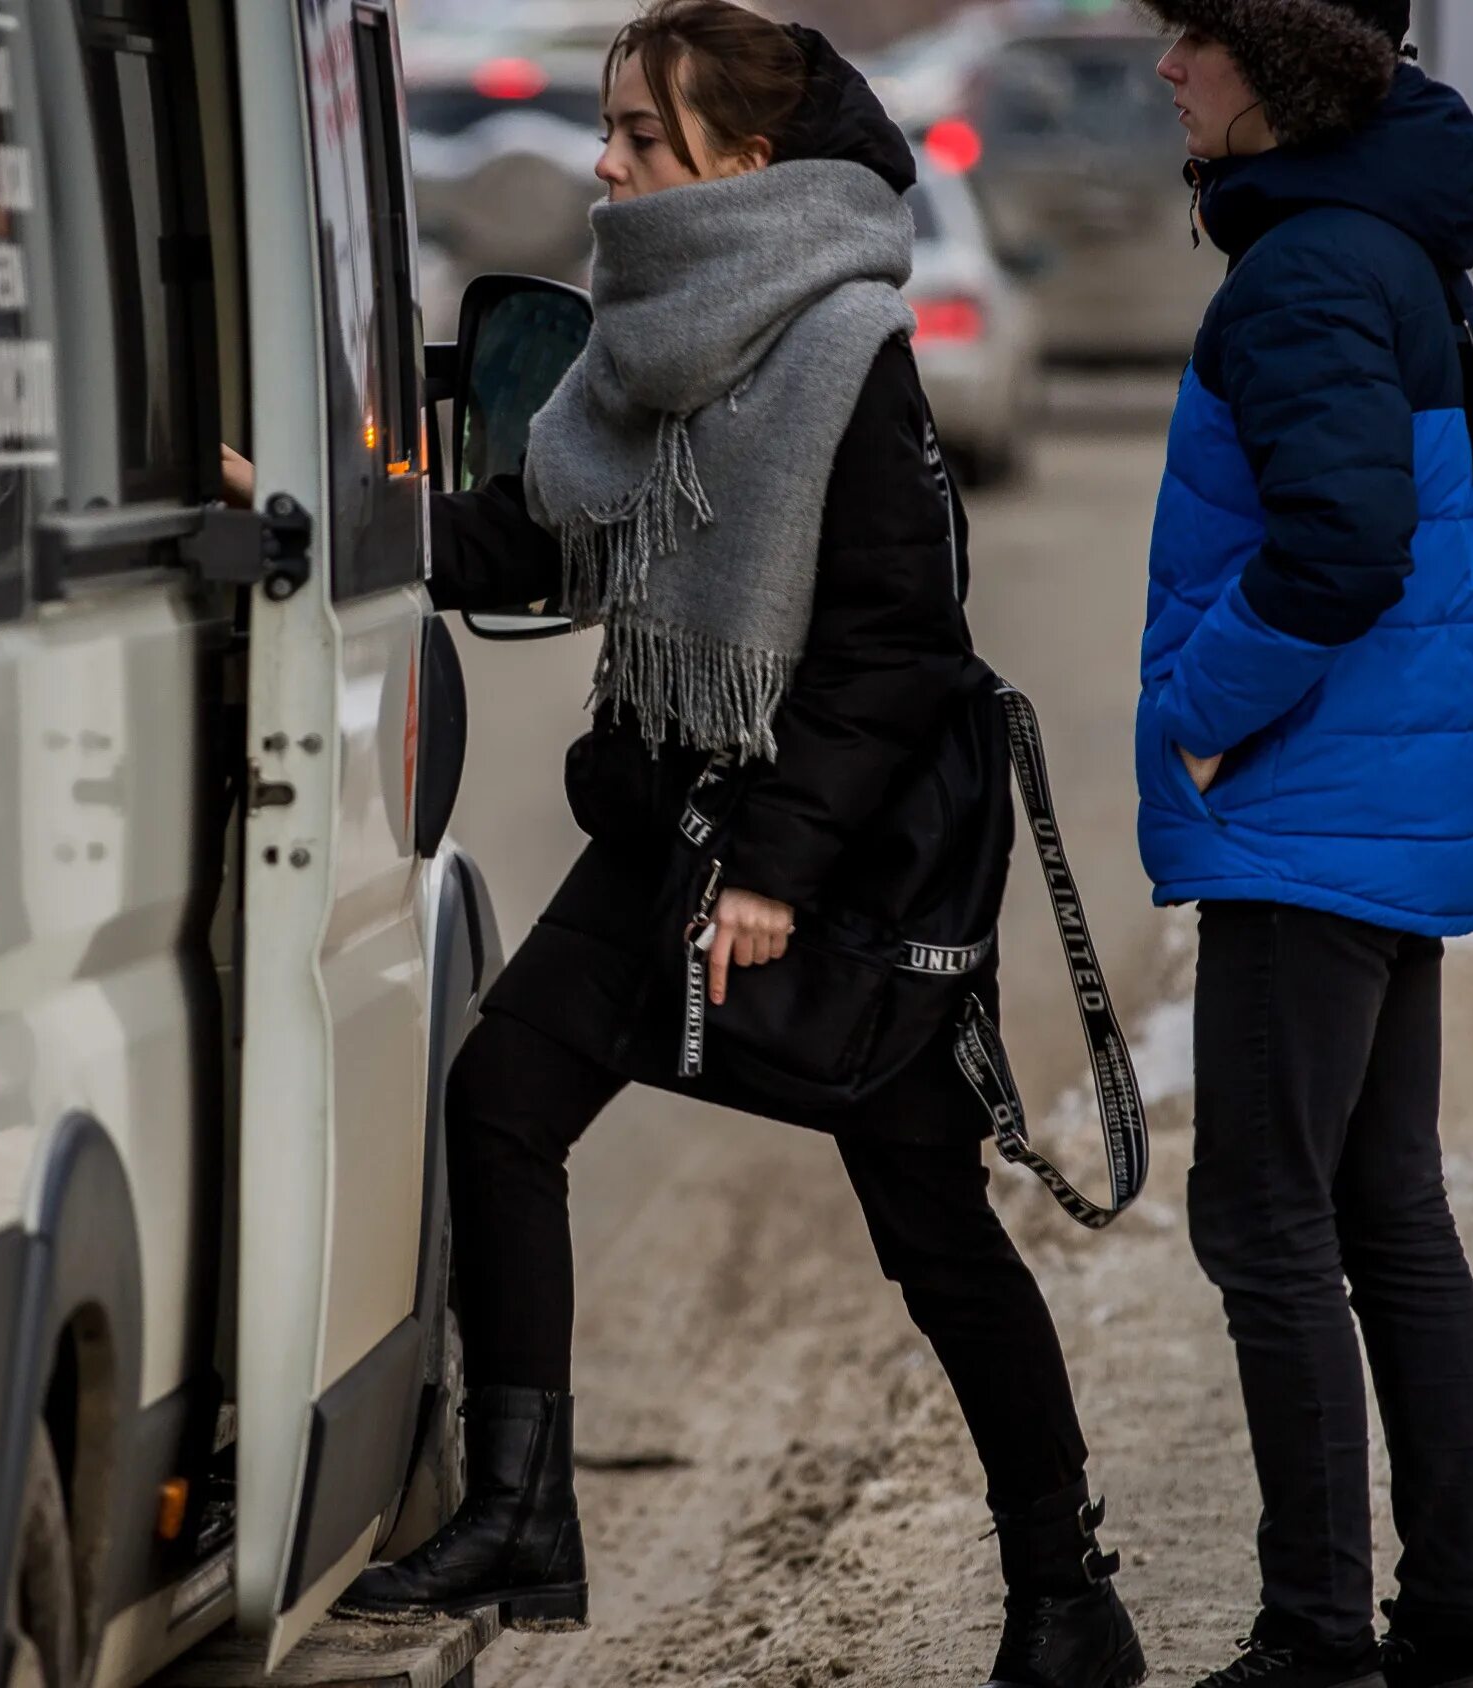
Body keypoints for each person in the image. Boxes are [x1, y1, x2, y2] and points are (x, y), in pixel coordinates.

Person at [236, 7, 1140, 1684]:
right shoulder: (649, 332)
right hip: (673, 808)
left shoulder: (843, 350)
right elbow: (544, 527)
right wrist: (338, 524)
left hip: (841, 865)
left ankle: (1065, 1597)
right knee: (504, 1098)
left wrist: (782, 873)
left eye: (643, 138)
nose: (607, 162)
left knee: (933, 1231)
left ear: (741, 164)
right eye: (610, 130)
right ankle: (525, 1509)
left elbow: (897, 652)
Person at [1135, 5, 1473, 1686]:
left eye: (1190, 41)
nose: (1164, 71)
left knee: (1269, 1220)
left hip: (1304, 809)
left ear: (1276, 70)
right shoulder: (1384, 244)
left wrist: (1202, 709)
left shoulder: (1298, 271)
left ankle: (1315, 1640)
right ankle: (1446, 1626)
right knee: (1386, 1214)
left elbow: (1346, 543)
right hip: (1375, 799)